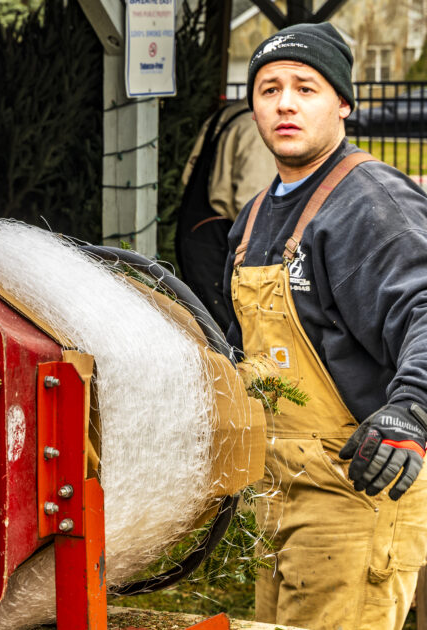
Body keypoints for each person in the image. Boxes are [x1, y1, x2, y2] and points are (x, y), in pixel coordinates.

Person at [223, 22, 427, 630]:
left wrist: (412, 409)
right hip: (277, 496)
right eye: (269, 88)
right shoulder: (255, 216)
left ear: (342, 103)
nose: (285, 103)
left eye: (305, 88)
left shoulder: (369, 206)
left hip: (355, 495)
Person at [176, 100, 275, 332]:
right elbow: (252, 205)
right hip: (221, 247)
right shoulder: (255, 127)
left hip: (195, 236)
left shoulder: (228, 114)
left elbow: (187, 176)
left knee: (204, 328)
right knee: (226, 337)